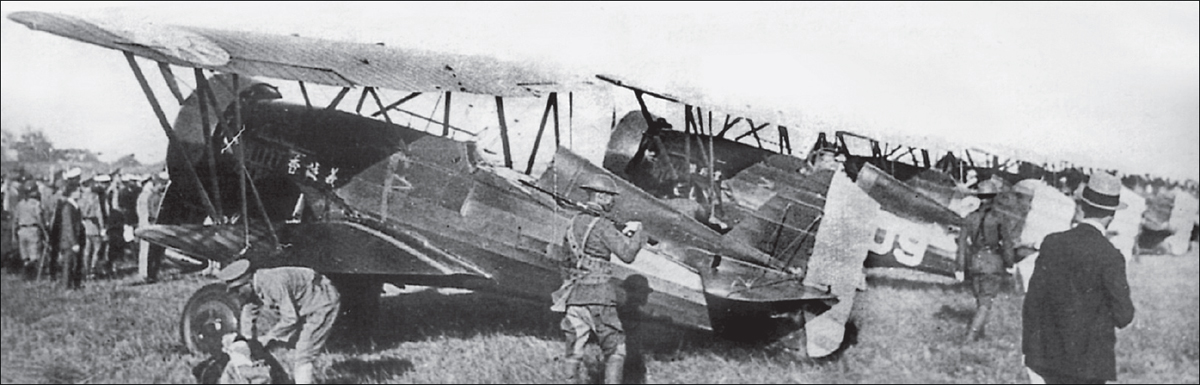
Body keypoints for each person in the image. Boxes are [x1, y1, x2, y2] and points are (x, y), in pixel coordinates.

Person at [1023, 172, 1136, 384]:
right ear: (1111, 215)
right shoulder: (1111, 256)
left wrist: (1028, 350)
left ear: (1082, 207)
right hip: (1089, 366)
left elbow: (1032, 301)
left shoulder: (1052, 243)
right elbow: (1124, 315)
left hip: (1046, 358)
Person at [554, 175, 649, 384]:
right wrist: (638, 234)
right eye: (610, 196)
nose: (613, 201)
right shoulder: (603, 225)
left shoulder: (572, 223)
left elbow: (565, 263)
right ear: (600, 196)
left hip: (574, 297)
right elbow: (627, 255)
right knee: (616, 350)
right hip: (599, 298)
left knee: (574, 352)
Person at [216, 259, 341, 385]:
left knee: (304, 352)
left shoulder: (273, 282)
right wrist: (245, 341)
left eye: (237, 290)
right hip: (303, 306)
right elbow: (248, 313)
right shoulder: (253, 287)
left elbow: (290, 318)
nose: (237, 294)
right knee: (294, 348)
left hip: (322, 302)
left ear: (247, 282)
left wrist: (269, 338)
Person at [955, 177, 1014, 342]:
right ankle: (970, 337)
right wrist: (1009, 264)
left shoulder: (969, 218)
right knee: (986, 303)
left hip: (974, 262)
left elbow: (961, 245)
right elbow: (1007, 244)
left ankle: (979, 332)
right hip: (992, 263)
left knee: (980, 299)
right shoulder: (999, 218)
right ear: (995, 197)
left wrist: (959, 268)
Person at [52, 181, 86, 290]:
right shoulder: (68, 207)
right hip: (69, 242)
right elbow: (68, 226)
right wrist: (74, 243)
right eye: (78, 191)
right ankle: (66, 287)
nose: (81, 193)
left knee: (75, 264)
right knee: (68, 265)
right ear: (72, 193)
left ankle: (74, 285)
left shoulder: (74, 206)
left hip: (75, 240)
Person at [136, 172, 167, 282]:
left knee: (153, 252)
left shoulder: (152, 195)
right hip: (155, 226)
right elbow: (153, 212)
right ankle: (150, 274)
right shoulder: (154, 196)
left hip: (152, 225)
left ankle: (151, 273)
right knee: (154, 251)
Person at [15, 183, 45, 280]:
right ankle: (33, 276)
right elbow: (39, 218)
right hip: (32, 229)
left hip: (21, 230)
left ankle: (26, 276)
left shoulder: (20, 204)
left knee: (25, 256)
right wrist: (44, 231)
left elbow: (15, 219)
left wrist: (14, 233)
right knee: (34, 255)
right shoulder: (35, 204)